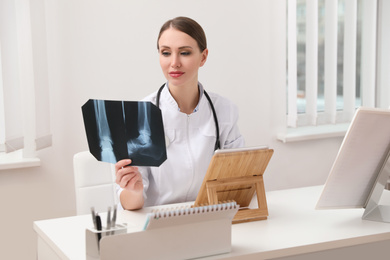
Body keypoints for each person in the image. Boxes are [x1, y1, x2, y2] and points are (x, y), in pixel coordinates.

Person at [115, 16, 245, 210]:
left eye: (184, 53)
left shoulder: (224, 110)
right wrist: (133, 190)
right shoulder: (140, 116)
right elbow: (130, 204)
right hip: (159, 225)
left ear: (203, 57)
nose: (174, 63)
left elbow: (239, 181)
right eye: (166, 53)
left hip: (209, 219)